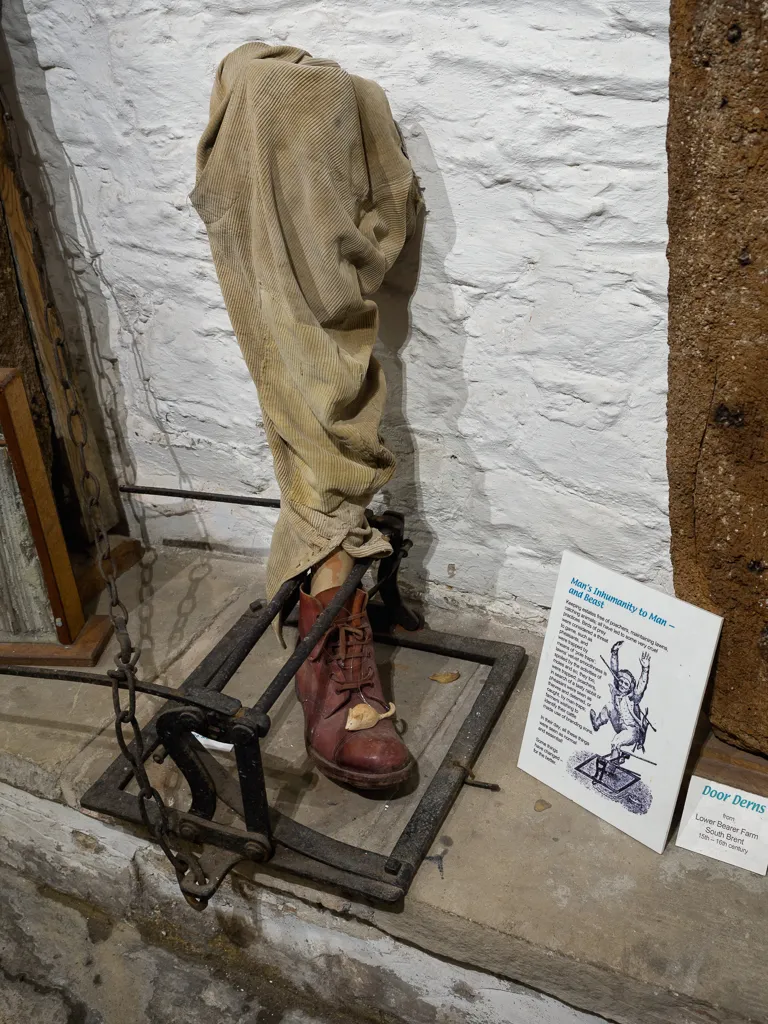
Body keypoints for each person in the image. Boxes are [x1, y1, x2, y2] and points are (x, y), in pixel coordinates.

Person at [191, 43, 421, 789]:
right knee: (305, 394)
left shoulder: (350, 104)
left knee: (331, 387)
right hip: (279, 267)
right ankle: (326, 609)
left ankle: (327, 590)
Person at [590, 641, 651, 767]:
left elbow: (641, 686)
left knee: (615, 742)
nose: (622, 685)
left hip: (631, 731)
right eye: (621, 682)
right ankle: (597, 723)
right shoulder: (617, 693)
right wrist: (614, 653)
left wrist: (645, 669)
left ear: (630, 687)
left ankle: (611, 769)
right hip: (619, 725)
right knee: (609, 706)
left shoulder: (633, 697)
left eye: (626, 684)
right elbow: (614, 670)